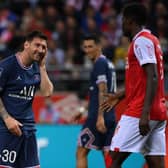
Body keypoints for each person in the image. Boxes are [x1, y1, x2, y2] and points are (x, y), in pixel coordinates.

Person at [101, 3, 167, 168]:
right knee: (156, 163)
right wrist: (120, 95)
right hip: (158, 111)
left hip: (140, 112)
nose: (121, 24)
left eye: (123, 20)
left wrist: (145, 114)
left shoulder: (141, 41)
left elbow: (152, 76)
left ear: (130, 21)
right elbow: (142, 80)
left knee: (113, 158)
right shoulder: (152, 39)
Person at [0, 30, 53, 168]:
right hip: (6, 129)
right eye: (37, 45)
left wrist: (42, 67)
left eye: (44, 47)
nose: (41, 50)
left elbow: (47, 92)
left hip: (28, 130)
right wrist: (7, 119)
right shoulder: (7, 66)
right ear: (26, 45)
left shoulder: (37, 67)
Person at [75, 34, 117, 168]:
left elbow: (102, 90)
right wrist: (83, 110)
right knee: (108, 156)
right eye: (85, 47)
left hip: (98, 117)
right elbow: (101, 93)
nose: (87, 50)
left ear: (99, 46)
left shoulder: (99, 63)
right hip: (110, 115)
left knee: (81, 152)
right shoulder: (109, 63)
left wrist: (99, 117)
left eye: (90, 46)